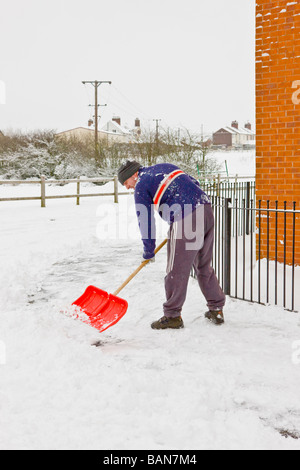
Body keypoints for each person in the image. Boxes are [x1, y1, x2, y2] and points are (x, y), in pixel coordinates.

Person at [118, 160, 226, 330]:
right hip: (205, 210)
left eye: (126, 182)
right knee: (203, 266)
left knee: (176, 269)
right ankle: (216, 309)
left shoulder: (141, 184)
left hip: (186, 217)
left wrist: (148, 250)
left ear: (134, 175)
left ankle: (172, 315)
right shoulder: (165, 167)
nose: (127, 187)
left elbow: (145, 220)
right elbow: (193, 182)